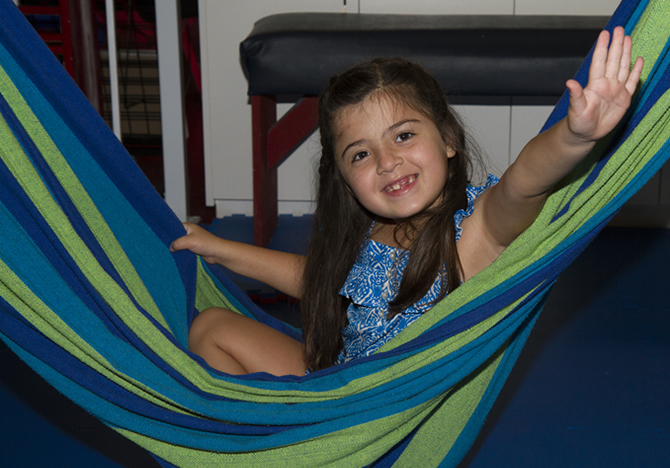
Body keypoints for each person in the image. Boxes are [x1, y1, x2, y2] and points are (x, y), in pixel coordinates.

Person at [170, 26, 643, 376]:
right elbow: (319, 282)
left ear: (449, 139)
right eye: (360, 154)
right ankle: (269, 444)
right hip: (337, 388)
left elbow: (524, 182)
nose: (387, 161)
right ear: (344, 178)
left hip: (383, 409)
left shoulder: (477, 229)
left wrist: (574, 137)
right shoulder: (372, 232)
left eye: (403, 135)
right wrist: (219, 249)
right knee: (210, 327)